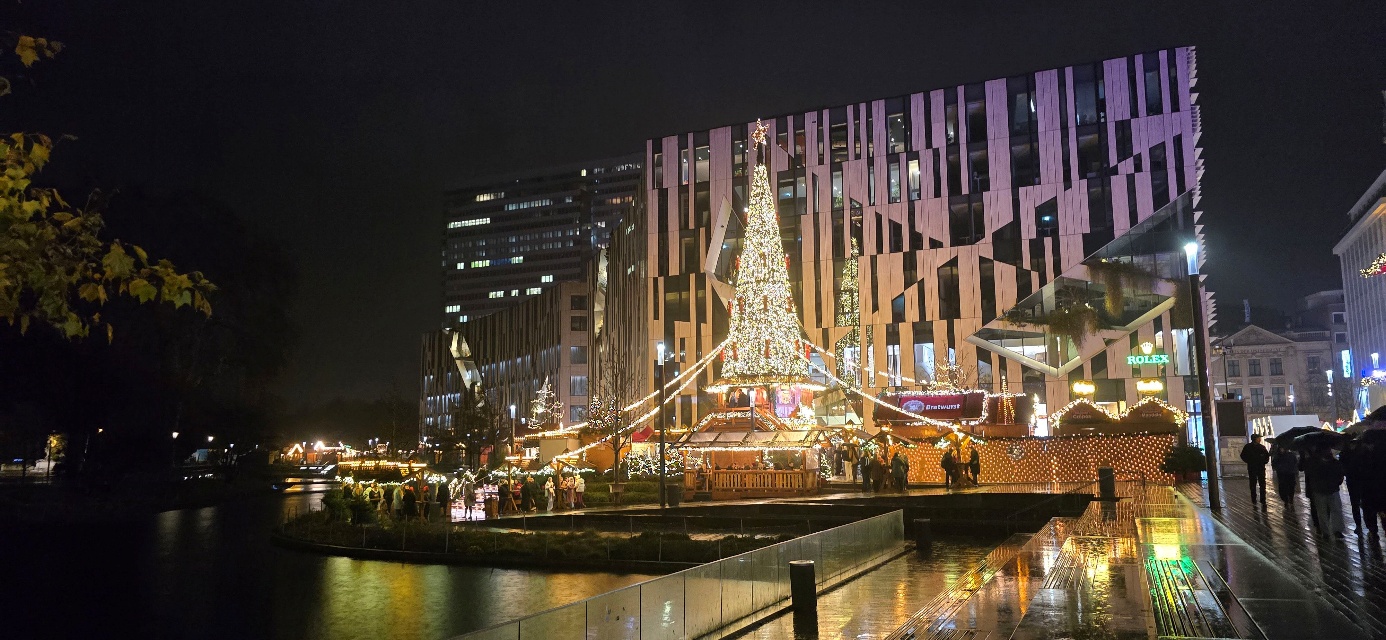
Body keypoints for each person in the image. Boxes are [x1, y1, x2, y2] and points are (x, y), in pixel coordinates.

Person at [1304, 446, 1346, 539]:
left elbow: (1311, 476)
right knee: (1334, 510)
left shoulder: (1313, 463)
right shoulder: (1333, 463)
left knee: (1323, 512)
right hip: (1329, 489)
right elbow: (1340, 474)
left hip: (1322, 490)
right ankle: (1335, 531)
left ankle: (1327, 532)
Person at [1239, 434, 1270, 505]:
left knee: (1255, 484)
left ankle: (1256, 499)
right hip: (1258, 467)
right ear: (1255, 439)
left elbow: (1243, 456)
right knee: (1260, 484)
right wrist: (1263, 461)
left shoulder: (1249, 447)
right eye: (1259, 438)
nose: (1260, 439)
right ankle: (1261, 499)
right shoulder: (1260, 447)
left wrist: (1249, 461)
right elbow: (1266, 456)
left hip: (1254, 467)